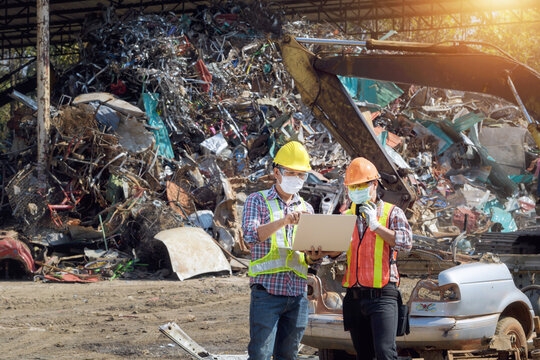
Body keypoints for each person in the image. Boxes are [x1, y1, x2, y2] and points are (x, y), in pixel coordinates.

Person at [242, 141, 326, 360]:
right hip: (267, 292)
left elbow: (305, 255)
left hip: (297, 293)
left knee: (288, 355)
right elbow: (250, 237)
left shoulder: (306, 208)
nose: (297, 179)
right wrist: (285, 220)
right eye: (292, 173)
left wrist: (314, 256)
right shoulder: (257, 201)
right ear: (277, 172)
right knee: (261, 354)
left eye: (302, 175)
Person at [341, 157, 413, 360]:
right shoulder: (346, 216)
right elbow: (337, 253)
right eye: (352, 187)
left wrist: (377, 227)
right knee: (363, 355)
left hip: (382, 295)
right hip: (355, 296)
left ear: (374, 184)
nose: (356, 190)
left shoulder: (392, 213)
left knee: (385, 352)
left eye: (361, 185)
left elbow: (406, 243)